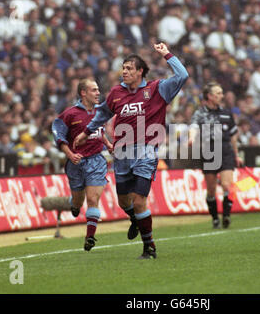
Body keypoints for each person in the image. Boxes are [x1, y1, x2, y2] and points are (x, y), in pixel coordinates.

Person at [74, 43, 188, 259]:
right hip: (121, 153)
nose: (124, 72)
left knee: (139, 201)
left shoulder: (156, 89)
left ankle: (149, 247)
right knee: (124, 202)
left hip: (146, 151)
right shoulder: (116, 92)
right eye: (123, 68)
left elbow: (182, 75)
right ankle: (135, 219)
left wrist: (167, 54)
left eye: (128, 68)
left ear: (140, 72)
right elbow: (101, 115)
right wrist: (87, 132)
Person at [51, 79, 113, 251]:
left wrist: (107, 144)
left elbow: (99, 131)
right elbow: (59, 137)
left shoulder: (101, 111)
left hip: (96, 161)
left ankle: (90, 236)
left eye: (98, 89)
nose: (98, 93)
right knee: (79, 201)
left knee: (93, 199)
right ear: (83, 93)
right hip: (76, 162)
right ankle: (74, 204)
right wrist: (70, 155)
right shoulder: (69, 114)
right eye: (94, 90)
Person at [189, 82, 243, 229]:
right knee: (211, 189)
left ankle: (226, 215)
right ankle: (214, 218)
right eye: (218, 93)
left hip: (226, 150)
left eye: (221, 93)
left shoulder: (227, 113)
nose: (222, 95)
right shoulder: (200, 113)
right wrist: (192, 138)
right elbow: (193, 126)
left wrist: (236, 155)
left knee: (227, 185)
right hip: (209, 151)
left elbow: (233, 137)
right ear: (210, 96)